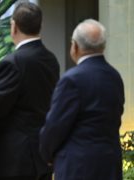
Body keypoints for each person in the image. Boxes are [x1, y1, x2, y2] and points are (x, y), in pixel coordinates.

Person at [0, 2, 60, 180]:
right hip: (42, 153)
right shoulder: (51, 60)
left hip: (15, 158)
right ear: (40, 26)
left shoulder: (13, 62)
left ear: (14, 27)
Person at [39, 19, 124, 180]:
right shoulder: (115, 77)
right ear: (103, 46)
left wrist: (47, 154)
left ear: (75, 46)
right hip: (109, 164)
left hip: (77, 166)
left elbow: (55, 126)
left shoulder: (72, 80)